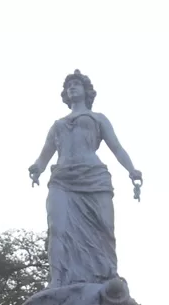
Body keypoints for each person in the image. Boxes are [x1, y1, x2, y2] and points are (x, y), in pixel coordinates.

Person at [28, 70, 142, 288]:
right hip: (62, 179)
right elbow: (46, 152)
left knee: (104, 227)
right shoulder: (58, 124)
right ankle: (58, 279)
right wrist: (37, 167)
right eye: (68, 85)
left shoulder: (98, 118)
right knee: (58, 228)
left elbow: (117, 147)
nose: (71, 87)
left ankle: (107, 275)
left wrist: (132, 170)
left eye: (76, 84)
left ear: (86, 91)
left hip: (93, 176)